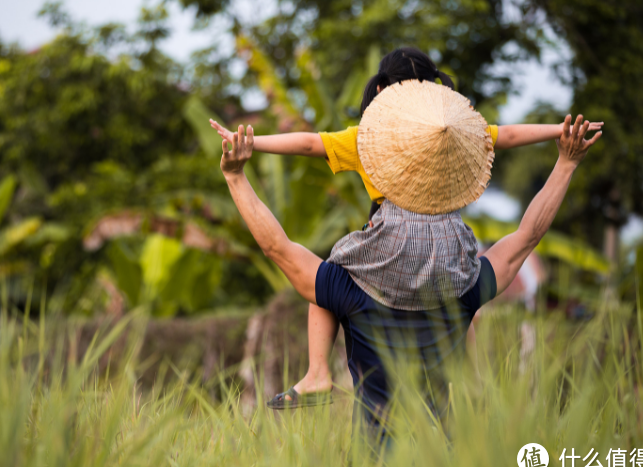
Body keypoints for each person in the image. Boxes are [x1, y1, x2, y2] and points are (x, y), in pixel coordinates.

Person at [210, 47, 603, 403]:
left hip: (388, 249)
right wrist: (562, 138)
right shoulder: (459, 133)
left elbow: (309, 145)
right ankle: (465, 381)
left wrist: (251, 145)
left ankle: (317, 372)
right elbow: (513, 142)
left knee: (329, 274)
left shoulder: (368, 136)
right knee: (472, 290)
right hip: (447, 252)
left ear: (380, 90)